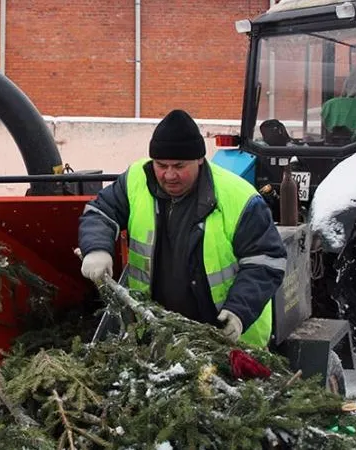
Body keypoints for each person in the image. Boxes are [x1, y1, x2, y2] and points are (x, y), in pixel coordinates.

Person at [77, 109, 287, 348]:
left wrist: (239, 312)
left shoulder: (239, 199)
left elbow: (266, 262)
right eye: (161, 165)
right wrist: (96, 248)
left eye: (179, 165)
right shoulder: (136, 179)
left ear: (199, 159)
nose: (169, 175)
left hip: (227, 340)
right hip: (156, 333)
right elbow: (101, 212)